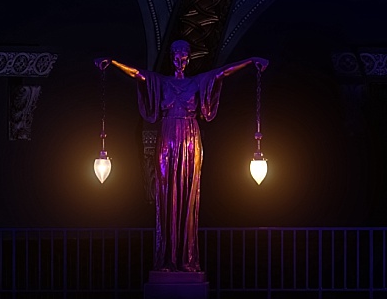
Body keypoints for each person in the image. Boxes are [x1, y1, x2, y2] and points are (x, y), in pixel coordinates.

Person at [96, 40, 268, 272]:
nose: (180, 60)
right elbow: (137, 74)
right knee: (167, 192)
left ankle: (186, 258)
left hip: (189, 138)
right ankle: (165, 258)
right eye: (177, 56)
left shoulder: (196, 82)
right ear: (171, 58)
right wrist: (114, 62)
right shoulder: (162, 82)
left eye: (184, 57)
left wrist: (249, 61)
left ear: (188, 59)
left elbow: (222, 73)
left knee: (187, 192)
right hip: (167, 136)